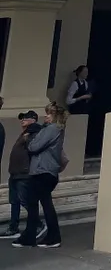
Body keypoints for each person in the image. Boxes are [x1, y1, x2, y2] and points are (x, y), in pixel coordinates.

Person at [13, 103, 67, 250]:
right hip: (43, 171)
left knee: (38, 204)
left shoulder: (52, 129)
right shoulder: (53, 129)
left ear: (55, 116)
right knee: (40, 203)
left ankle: (46, 236)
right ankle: (39, 235)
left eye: (49, 114)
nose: (46, 116)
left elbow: (34, 146)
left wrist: (30, 140)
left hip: (44, 171)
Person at [0, 111, 46, 242]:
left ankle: (39, 224)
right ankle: (13, 227)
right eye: (22, 118)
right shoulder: (24, 134)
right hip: (15, 173)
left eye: (26, 118)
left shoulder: (33, 133)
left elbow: (34, 149)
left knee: (25, 201)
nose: (23, 120)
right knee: (14, 201)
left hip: (24, 174)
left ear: (34, 120)